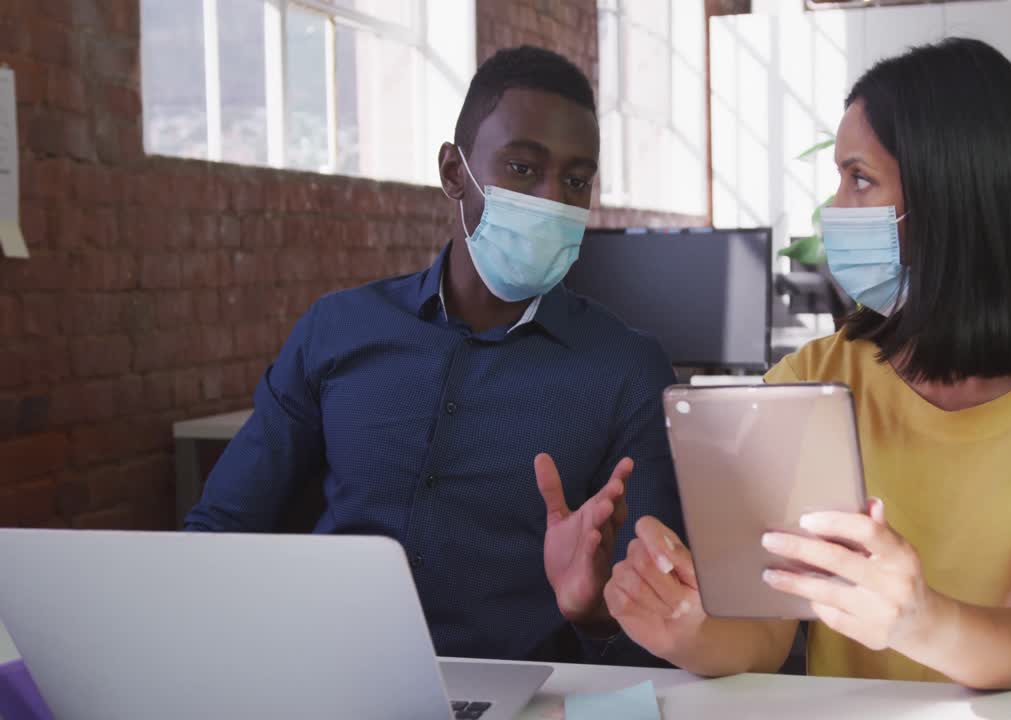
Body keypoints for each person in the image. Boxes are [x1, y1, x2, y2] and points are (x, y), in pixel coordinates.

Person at [601, 38, 1011, 691]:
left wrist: (916, 619)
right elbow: (766, 636)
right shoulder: (810, 378)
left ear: (948, 199)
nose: (831, 211)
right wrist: (690, 630)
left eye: (859, 178)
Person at [185, 46, 685, 665]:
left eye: (576, 181)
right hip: (334, 680)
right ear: (454, 172)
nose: (553, 199)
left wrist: (591, 613)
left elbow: (654, 625)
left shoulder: (626, 370)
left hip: (530, 696)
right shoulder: (339, 330)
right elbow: (220, 531)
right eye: (524, 169)